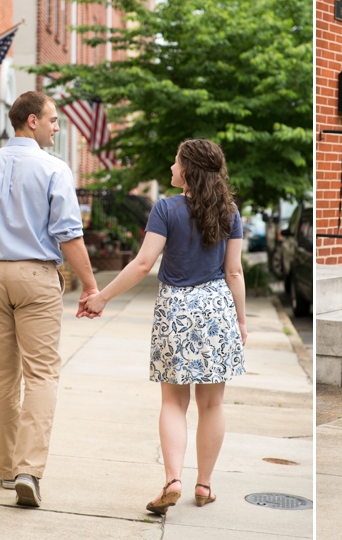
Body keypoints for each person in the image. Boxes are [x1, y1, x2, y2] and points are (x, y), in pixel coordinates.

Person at [80, 138, 246, 515]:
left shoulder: (165, 209)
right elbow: (233, 271)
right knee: (212, 403)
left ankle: (173, 479)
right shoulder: (230, 212)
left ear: (187, 169)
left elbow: (142, 265)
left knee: (173, 401)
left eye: (175, 162)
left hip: (177, 309)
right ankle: (204, 486)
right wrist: (240, 319)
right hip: (217, 307)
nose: (171, 168)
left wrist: (102, 297)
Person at [0, 91, 100, 508]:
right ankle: (28, 470)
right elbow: (69, 234)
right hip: (35, 276)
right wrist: (91, 286)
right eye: (53, 120)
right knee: (41, 375)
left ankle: (5, 470)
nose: (58, 127)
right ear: (31, 121)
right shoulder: (54, 168)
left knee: (1, 375)